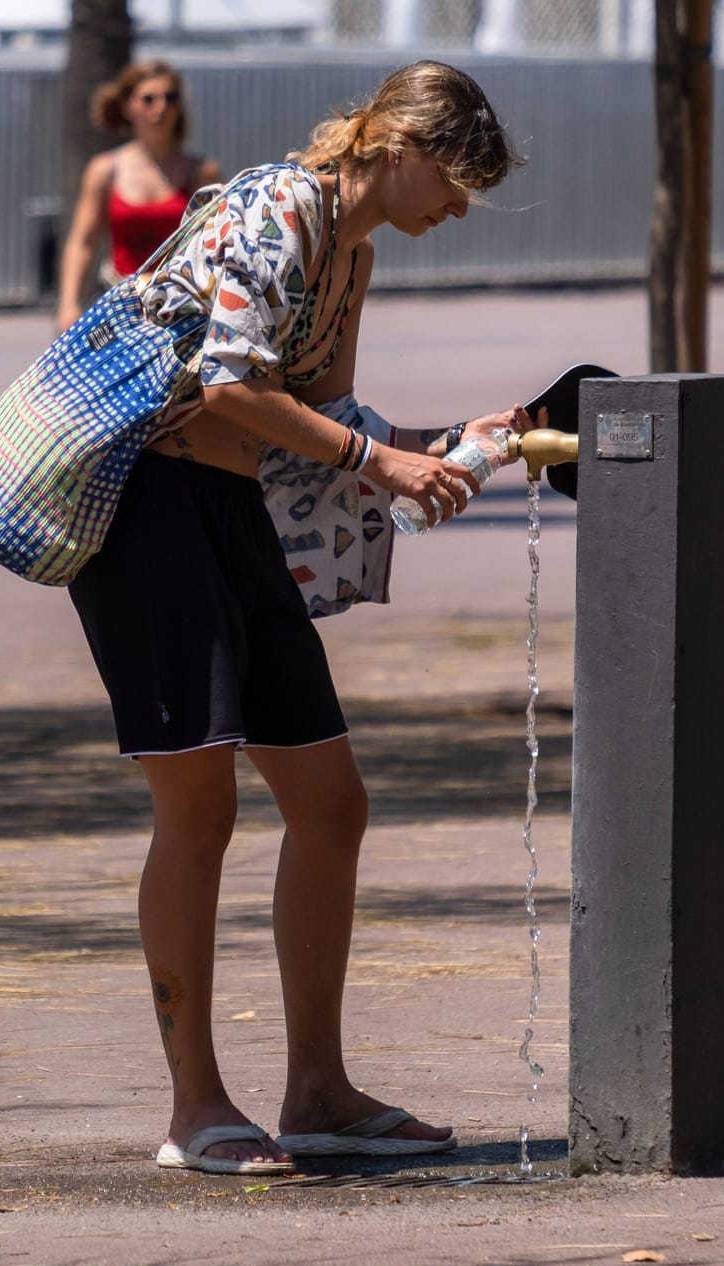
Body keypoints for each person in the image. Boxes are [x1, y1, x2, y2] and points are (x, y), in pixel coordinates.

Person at [59, 61, 539, 1175]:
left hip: (230, 512)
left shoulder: (352, 251)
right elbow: (228, 385)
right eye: (458, 177)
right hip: (150, 509)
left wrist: (445, 444)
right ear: (399, 144)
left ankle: (316, 1089)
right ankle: (196, 1110)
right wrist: (384, 460)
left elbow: (315, 413)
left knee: (331, 802)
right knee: (202, 805)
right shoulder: (277, 204)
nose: (459, 205)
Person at [56, 61, 221, 333]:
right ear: (128, 107)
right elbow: (83, 241)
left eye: (170, 98)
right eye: (148, 99)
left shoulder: (202, 173)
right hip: (122, 303)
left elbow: (217, 245)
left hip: (183, 308)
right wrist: (69, 303)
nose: (161, 107)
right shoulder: (105, 169)